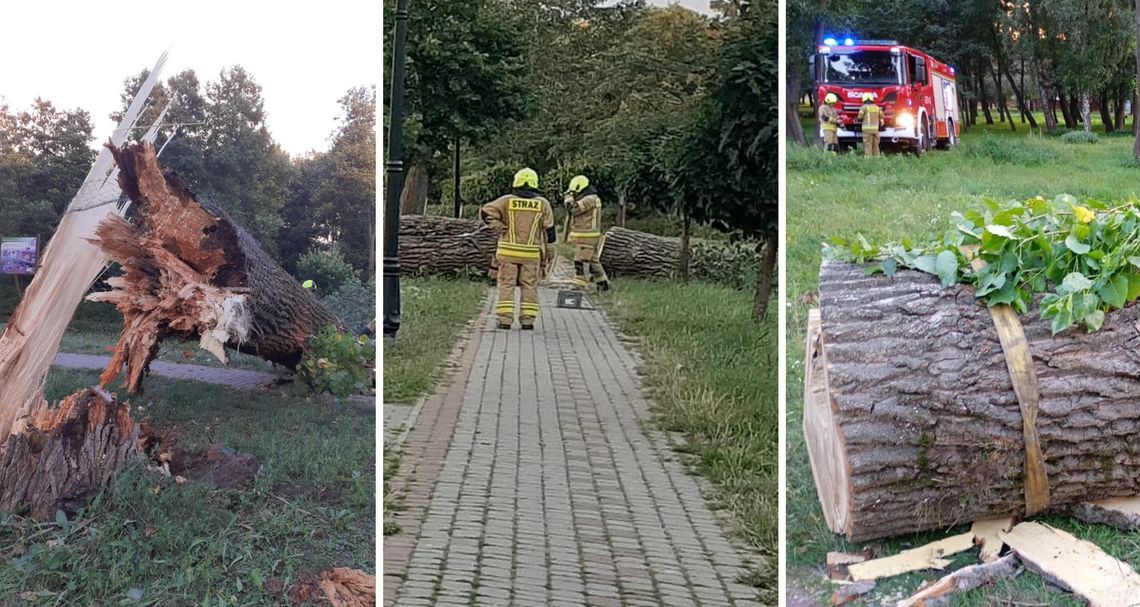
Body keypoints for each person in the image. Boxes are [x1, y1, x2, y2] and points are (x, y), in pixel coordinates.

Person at [480, 167, 556, 330]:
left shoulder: (507, 200)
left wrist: (497, 226)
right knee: (529, 285)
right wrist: (550, 248)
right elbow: (550, 229)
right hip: (530, 254)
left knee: (506, 284)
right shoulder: (543, 203)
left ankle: (505, 320)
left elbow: (486, 211)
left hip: (507, 252)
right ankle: (528, 320)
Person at [564, 175, 610, 291]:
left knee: (580, 260)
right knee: (593, 262)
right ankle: (603, 284)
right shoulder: (593, 198)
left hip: (587, 235)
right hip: (588, 235)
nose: (574, 195)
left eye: (575, 192)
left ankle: (579, 284)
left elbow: (574, 210)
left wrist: (568, 199)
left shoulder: (589, 199)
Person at [856, 92, 882, 157]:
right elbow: (882, 116)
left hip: (867, 130)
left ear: (864, 99)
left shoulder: (863, 107)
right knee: (875, 145)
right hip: (875, 130)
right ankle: (877, 158)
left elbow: (860, 118)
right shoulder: (877, 107)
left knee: (868, 144)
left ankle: (868, 159)